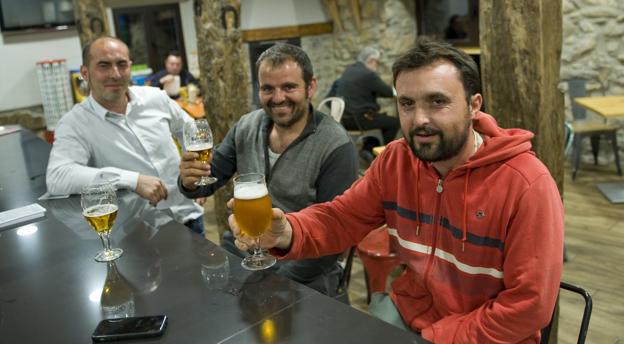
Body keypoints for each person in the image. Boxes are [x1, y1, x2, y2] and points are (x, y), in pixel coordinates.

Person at [229, 38, 564, 343]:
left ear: (474, 105)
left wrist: (438, 336)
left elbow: (529, 307)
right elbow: (341, 218)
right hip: (410, 312)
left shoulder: (526, 184)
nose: (419, 119)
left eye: (437, 102)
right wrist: (288, 231)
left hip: (486, 334)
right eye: (406, 103)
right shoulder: (396, 161)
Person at [178, 43, 358, 297]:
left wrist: (276, 284)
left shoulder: (336, 145)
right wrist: (189, 180)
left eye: (289, 87)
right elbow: (208, 179)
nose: (278, 98)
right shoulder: (247, 126)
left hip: (305, 273)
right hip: (244, 256)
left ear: (311, 87)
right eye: (267, 89)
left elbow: (333, 238)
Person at [46, 36, 205, 235]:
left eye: (122, 65)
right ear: (85, 73)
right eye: (104, 65)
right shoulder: (75, 123)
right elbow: (58, 176)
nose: (115, 74)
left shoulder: (154, 97)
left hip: (189, 216)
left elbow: (191, 130)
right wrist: (132, 180)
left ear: (130, 67)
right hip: (138, 234)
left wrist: (195, 175)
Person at [336, 46, 400, 156]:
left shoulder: (350, 69)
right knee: (394, 123)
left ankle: (369, 149)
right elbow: (388, 92)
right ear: (371, 61)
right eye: (377, 63)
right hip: (359, 120)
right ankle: (381, 155)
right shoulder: (368, 74)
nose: (377, 65)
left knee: (380, 119)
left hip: (346, 119)